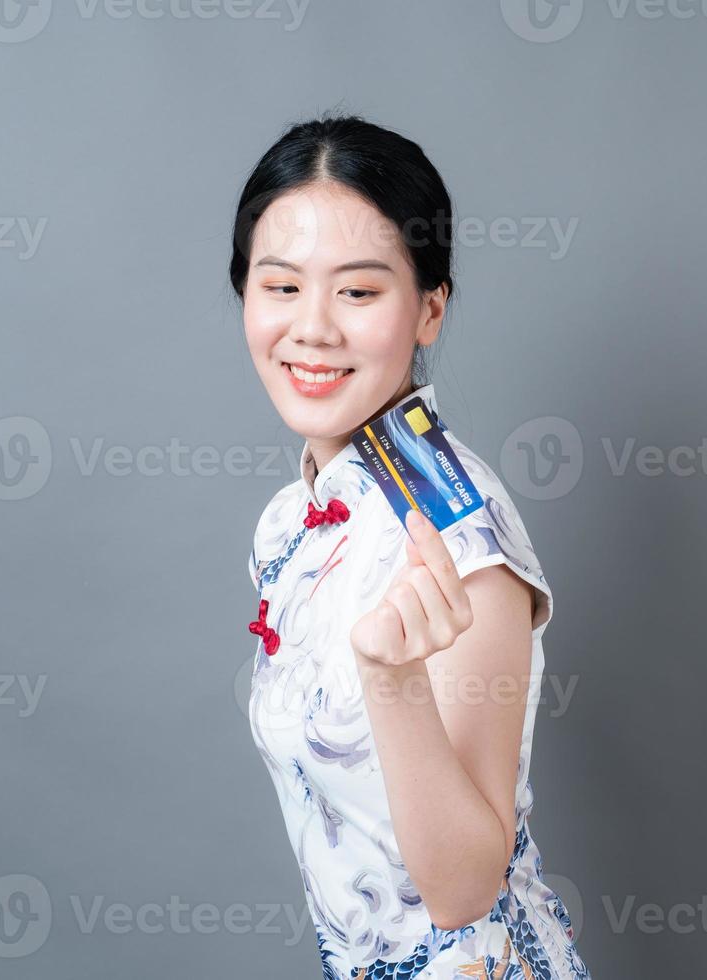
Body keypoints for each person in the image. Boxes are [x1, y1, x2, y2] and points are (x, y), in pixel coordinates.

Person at [231, 113, 592, 980]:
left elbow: (466, 886)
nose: (312, 328)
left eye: (358, 292)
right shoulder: (294, 518)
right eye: (281, 286)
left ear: (430, 307)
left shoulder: (461, 546)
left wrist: (391, 683)